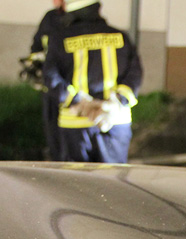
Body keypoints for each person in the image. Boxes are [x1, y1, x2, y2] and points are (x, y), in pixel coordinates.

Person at [44, 0, 143, 163]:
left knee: (76, 178)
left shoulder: (60, 39)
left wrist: (79, 101)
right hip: (114, 121)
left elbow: (50, 77)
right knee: (113, 177)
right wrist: (117, 101)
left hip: (75, 124)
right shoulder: (121, 37)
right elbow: (135, 74)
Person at [29, 0, 65, 160]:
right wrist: (35, 63)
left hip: (68, 86)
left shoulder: (76, 19)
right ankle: (56, 158)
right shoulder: (49, 18)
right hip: (50, 87)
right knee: (51, 129)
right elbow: (37, 45)